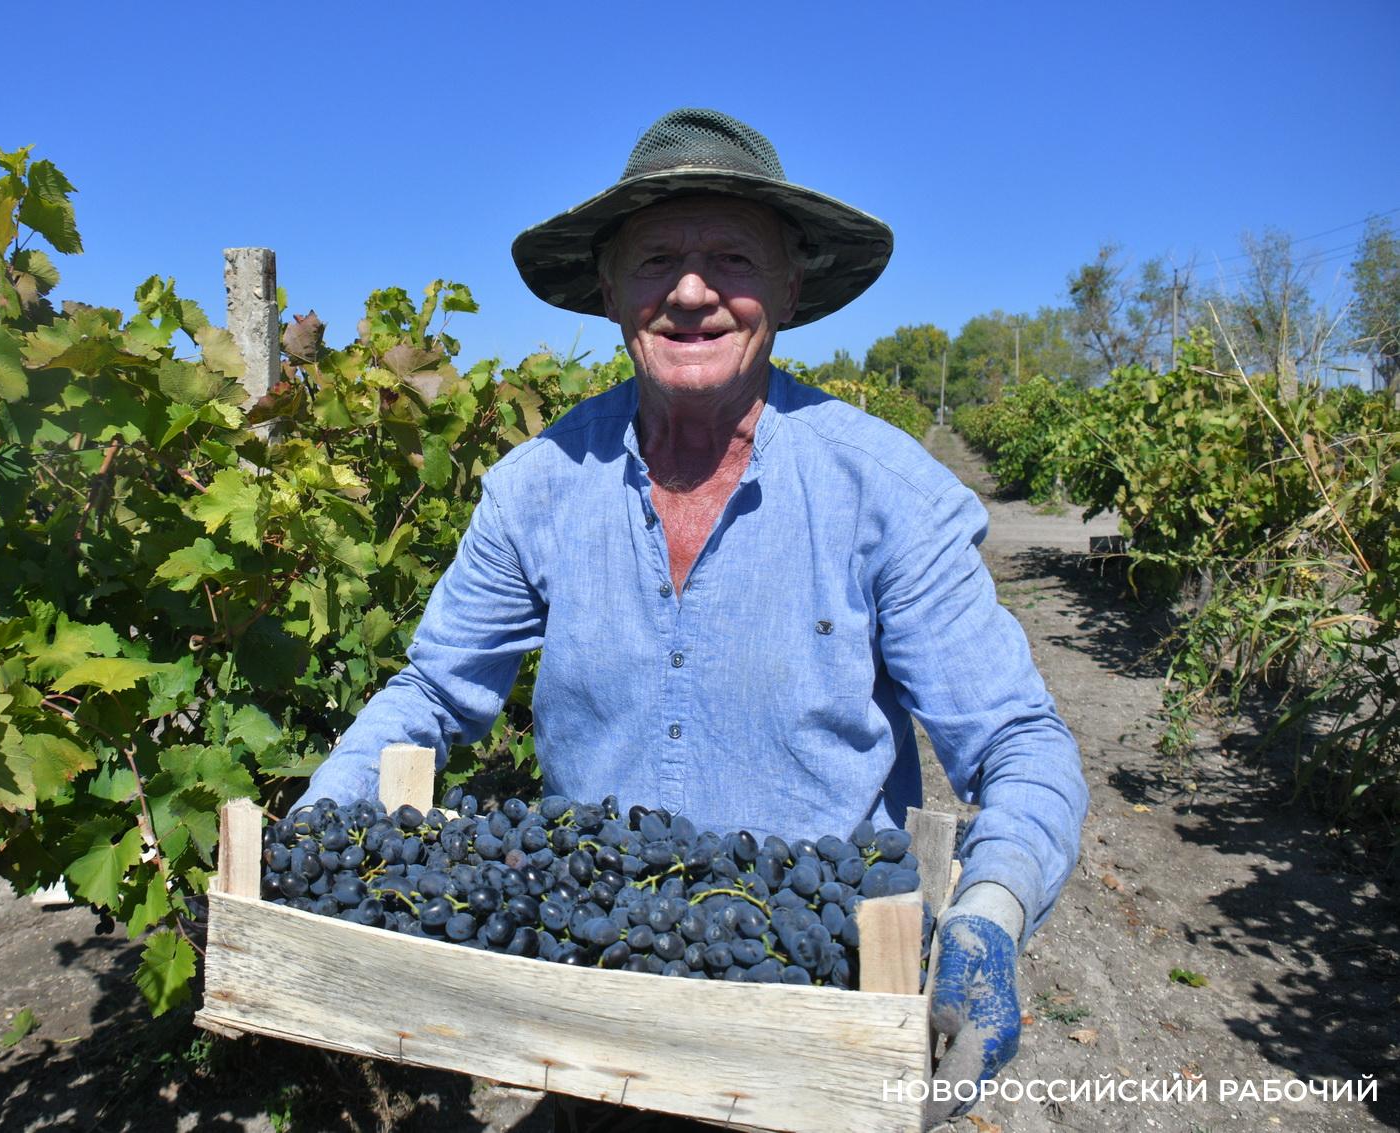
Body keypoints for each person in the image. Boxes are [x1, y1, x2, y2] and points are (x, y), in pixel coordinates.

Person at [297, 108, 1088, 1130]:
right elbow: (434, 693)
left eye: (731, 257)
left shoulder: (885, 493)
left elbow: (1019, 742)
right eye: (656, 259)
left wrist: (988, 910)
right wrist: (316, 829)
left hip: (823, 1016)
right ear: (610, 289)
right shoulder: (534, 491)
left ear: (791, 287)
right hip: (595, 1014)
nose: (689, 290)